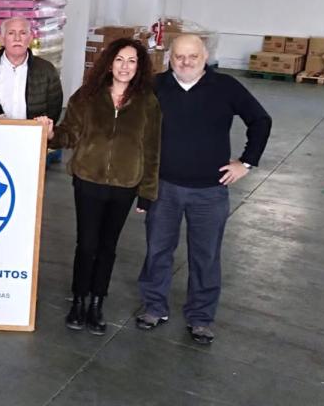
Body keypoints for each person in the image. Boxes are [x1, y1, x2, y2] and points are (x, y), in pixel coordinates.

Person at [136, 34, 271, 345]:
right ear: (170, 57)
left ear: (205, 56)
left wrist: (246, 163)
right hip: (164, 188)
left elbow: (260, 120)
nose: (185, 62)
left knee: (205, 255)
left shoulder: (225, 87)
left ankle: (201, 317)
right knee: (158, 250)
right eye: (179, 56)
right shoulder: (155, 87)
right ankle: (154, 306)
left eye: (192, 56)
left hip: (210, 192)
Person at [39, 38, 161, 335]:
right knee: (87, 244)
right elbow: (69, 134)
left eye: (132, 61)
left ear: (140, 67)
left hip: (125, 185)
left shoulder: (148, 102)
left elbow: (151, 149)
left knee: (108, 247)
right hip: (88, 181)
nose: (124, 67)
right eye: (119, 60)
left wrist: (147, 192)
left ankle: (97, 302)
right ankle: (78, 300)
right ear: (108, 63)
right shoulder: (88, 96)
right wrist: (50, 133)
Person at [0, 17, 63, 121]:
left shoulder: (46, 70)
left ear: (30, 39)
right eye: (11, 33)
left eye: (23, 33)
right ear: (1, 40)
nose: (17, 38)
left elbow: (54, 108)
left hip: (31, 133)